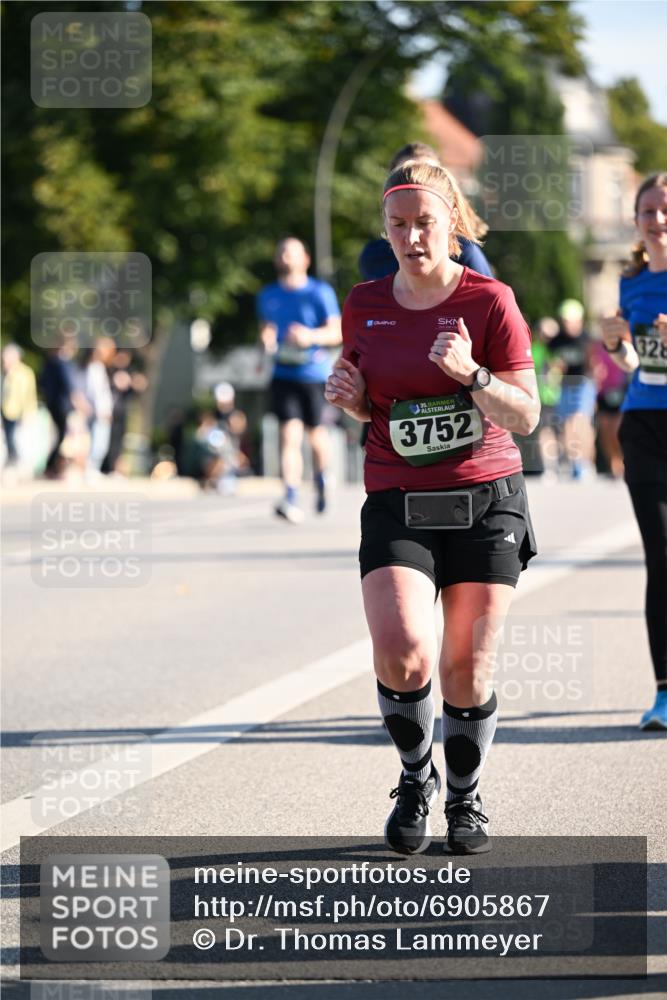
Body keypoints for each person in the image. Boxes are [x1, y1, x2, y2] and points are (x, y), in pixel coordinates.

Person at [325, 159, 539, 855]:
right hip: (397, 496)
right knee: (403, 651)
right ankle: (416, 777)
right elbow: (368, 405)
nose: (411, 236)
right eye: (398, 225)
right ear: (384, 229)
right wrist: (349, 394)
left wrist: (472, 375)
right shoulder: (363, 302)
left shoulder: (489, 301)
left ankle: (466, 799)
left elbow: (528, 414)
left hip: (484, 496)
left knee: (464, 671)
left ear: (451, 222)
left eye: (424, 222)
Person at [600, 172, 667, 730]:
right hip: (644, 423)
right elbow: (631, 367)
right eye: (648, 211)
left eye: (665, 210)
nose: (657, 220)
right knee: (660, 557)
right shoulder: (632, 283)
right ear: (637, 221)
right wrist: (615, 343)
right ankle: (665, 692)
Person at [257, 237, 342, 522]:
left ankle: (321, 479)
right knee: (287, 436)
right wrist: (265, 342)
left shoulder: (319, 292)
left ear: (305, 259)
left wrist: (310, 337)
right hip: (283, 373)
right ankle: (290, 495)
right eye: (281, 252)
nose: (285, 257)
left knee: (316, 437)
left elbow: (337, 332)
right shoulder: (268, 295)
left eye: (291, 253)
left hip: (314, 375)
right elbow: (268, 329)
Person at [358, 143, 494, 282]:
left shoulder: (466, 254)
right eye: (404, 174)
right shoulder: (373, 257)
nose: (415, 183)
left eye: (429, 174)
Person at [550, 299, 597, 480]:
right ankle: (575, 462)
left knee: (579, 421)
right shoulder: (557, 340)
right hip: (565, 385)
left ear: (580, 321)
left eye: (572, 320)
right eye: (565, 320)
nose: (568, 324)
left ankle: (584, 462)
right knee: (567, 425)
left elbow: (593, 364)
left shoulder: (587, 339)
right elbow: (552, 362)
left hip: (584, 384)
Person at [1, 344, 37, 468]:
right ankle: (11, 464)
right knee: (8, 440)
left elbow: (29, 395)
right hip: (6, 411)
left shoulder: (24, 373)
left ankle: (17, 465)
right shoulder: (5, 372)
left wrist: (28, 413)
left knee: (17, 441)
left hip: (18, 413)